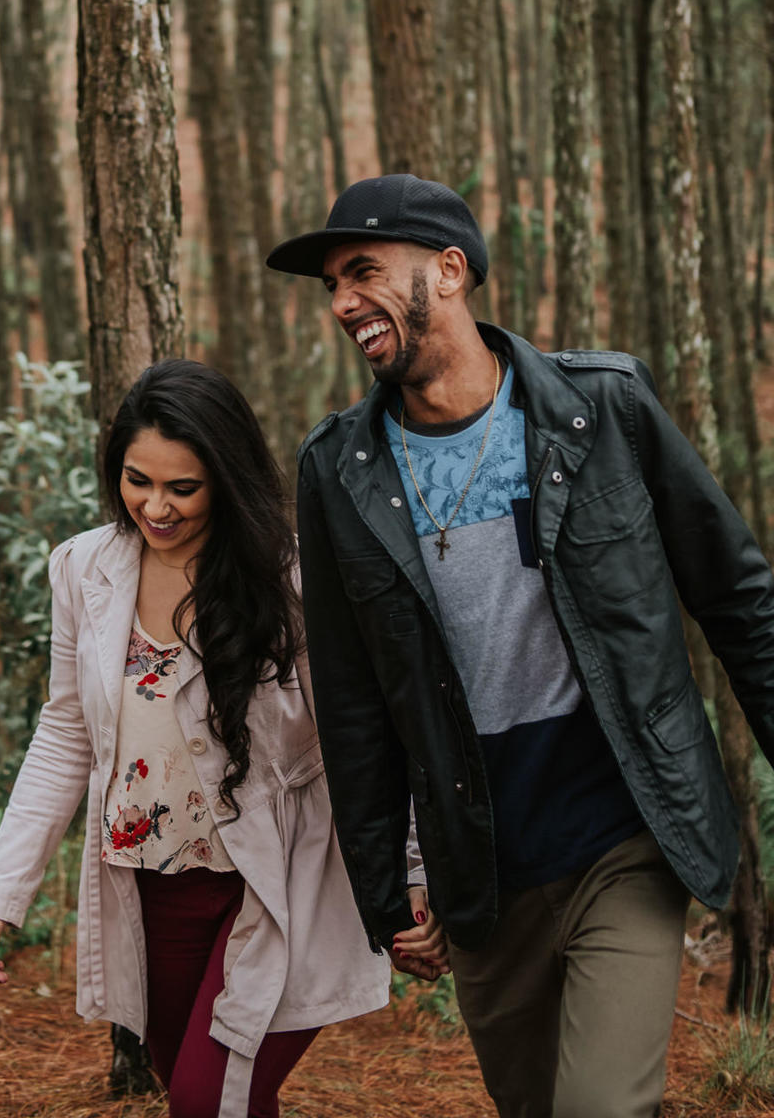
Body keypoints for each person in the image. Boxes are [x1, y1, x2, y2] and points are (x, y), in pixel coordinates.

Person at [267, 172, 774, 1118]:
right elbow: (352, 701)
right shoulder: (338, 472)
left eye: (363, 271)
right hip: (482, 868)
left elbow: (738, 595)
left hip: (624, 830)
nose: (341, 303)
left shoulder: (601, 408)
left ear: (448, 272)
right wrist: (393, 886)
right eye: (332, 284)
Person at [0, 358, 443, 1118]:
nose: (156, 507)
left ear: (227, 475)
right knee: (217, 1094)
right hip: (149, 883)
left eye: (183, 487)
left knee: (204, 1100)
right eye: (136, 480)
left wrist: (414, 871)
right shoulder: (83, 568)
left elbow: (374, 733)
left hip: (280, 878)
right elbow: (65, 732)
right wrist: (2, 890)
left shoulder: (293, 578)